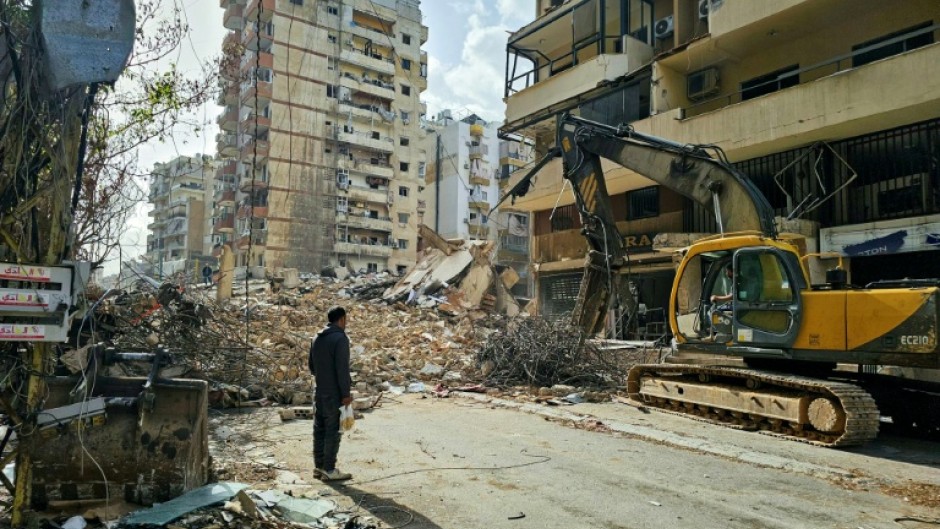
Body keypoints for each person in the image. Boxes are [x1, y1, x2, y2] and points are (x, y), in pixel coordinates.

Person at [308, 306, 353, 481]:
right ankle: (330, 469)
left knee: (319, 429)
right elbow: (342, 369)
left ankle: (318, 467)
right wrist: (346, 393)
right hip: (334, 393)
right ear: (342, 319)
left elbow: (311, 366)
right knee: (333, 431)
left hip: (319, 391)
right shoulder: (340, 338)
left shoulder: (316, 338)